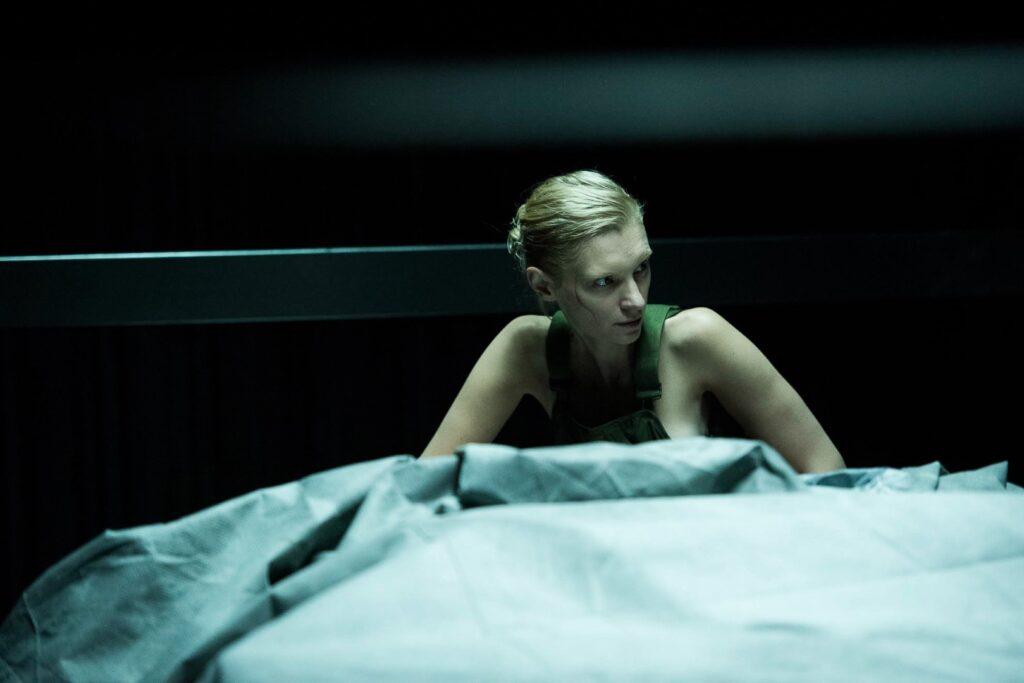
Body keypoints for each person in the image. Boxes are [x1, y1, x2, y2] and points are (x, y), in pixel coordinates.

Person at [419, 170, 845, 474]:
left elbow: (825, 468)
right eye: (604, 282)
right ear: (545, 286)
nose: (636, 300)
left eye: (641, 268)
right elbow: (421, 481)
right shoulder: (526, 349)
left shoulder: (696, 338)